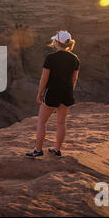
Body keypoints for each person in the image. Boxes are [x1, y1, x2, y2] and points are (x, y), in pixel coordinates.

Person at [25, 30, 80, 158]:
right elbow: (74, 79)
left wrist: (39, 94)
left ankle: (38, 151)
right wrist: (69, 90)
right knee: (61, 123)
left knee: (41, 122)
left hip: (52, 93)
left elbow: (44, 78)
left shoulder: (51, 58)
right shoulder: (75, 59)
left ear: (56, 42)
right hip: (66, 93)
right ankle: (57, 150)